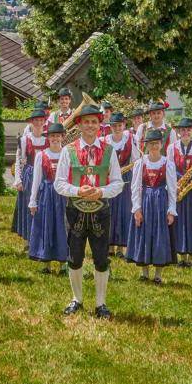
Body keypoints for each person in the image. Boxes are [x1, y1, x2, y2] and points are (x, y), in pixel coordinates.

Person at [52, 99, 124, 318]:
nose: (90, 126)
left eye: (94, 122)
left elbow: (118, 183)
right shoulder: (68, 150)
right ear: (80, 125)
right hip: (75, 211)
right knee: (74, 257)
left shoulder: (109, 151)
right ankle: (77, 299)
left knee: (102, 257)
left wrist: (101, 192)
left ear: (99, 125)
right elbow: (59, 183)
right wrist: (78, 191)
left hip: (101, 212)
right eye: (86, 122)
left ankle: (101, 303)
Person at [125, 127, 177, 284]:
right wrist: (137, 208)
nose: (154, 147)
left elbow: (172, 188)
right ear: (146, 146)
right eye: (151, 144)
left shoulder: (167, 163)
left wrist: (171, 210)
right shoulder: (141, 163)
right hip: (146, 201)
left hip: (160, 202)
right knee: (144, 233)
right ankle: (144, 272)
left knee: (160, 235)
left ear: (161, 144)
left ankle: (158, 274)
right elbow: (135, 187)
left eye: (157, 143)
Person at [27, 121, 70, 275]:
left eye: (58, 136)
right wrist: (33, 200)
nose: (55, 139)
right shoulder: (41, 155)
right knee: (46, 224)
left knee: (63, 226)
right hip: (46, 194)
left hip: (63, 194)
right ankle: (46, 261)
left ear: (62, 137)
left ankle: (63, 262)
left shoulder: (68, 153)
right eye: (52, 136)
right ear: (48, 138)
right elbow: (36, 179)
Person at [11, 103, 49, 244]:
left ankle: (41, 235)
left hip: (44, 175)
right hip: (29, 174)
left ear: (44, 122)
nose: (39, 123)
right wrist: (18, 180)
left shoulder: (48, 140)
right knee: (29, 204)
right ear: (31, 122)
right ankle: (29, 239)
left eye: (41, 120)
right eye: (36, 120)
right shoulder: (24, 140)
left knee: (42, 204)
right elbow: (19, 159)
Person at [168, 116, 192, 258]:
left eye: (188, 130)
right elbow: (170, 169)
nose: (186, 133)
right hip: (178, 185)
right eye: (183, 130)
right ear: (178, 132)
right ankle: (180, 253)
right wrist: (173, 186)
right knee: (180, 219)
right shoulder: (172, 148)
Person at [104, 111, 138, 256]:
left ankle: (121, 247)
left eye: (120, 125)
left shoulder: (131, 138)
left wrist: (129, 170)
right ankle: (110, 245)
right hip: (110, 178)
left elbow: (136, 160)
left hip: (126, 177)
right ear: (110, 127)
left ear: (124, 125)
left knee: (124, 210)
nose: (117, 128)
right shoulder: (105, 140)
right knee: (110, 210)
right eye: (114, 126)